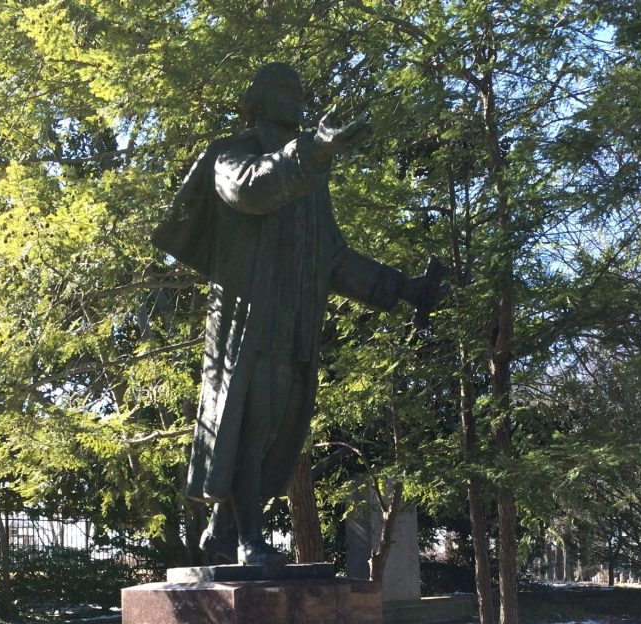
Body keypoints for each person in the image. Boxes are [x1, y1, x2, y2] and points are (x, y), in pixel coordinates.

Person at [153, 63, 441, 568]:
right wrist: (313, 150)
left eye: (300, 90)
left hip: (294, 327)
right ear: (259, 99)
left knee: (277, 434)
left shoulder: (309, 182)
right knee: (252, 422)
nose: (299, 98)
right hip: (249, 323)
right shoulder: (232, 154)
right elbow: (251, 190)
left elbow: (333, 258)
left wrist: (403, 291)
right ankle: (247, 540)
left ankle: (222, 536)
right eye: (288, 90)